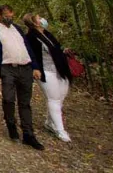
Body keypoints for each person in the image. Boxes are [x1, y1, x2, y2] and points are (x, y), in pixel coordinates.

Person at [0, 4, 45, 150]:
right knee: (8, 98)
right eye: (6, 16)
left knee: (25, 102)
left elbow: (27, 48)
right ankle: (11, 124)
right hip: (7, 67)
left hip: (25, 67)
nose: (9, 18)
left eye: (11, 16)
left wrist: (35, 66)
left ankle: (29, 134)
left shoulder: (17, 28)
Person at [23, 13, 73, 142]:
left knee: (60, 98)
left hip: (60, 69)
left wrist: (63, 51)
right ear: (34, 23)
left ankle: (50, 123)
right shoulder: (31, 37)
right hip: (46, 71)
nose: (42, 20)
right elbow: (31, 54)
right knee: (54, 99)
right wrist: (35, 68)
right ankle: (60, 130)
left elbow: (55, 48)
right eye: (39, 18)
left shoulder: (47, 34)